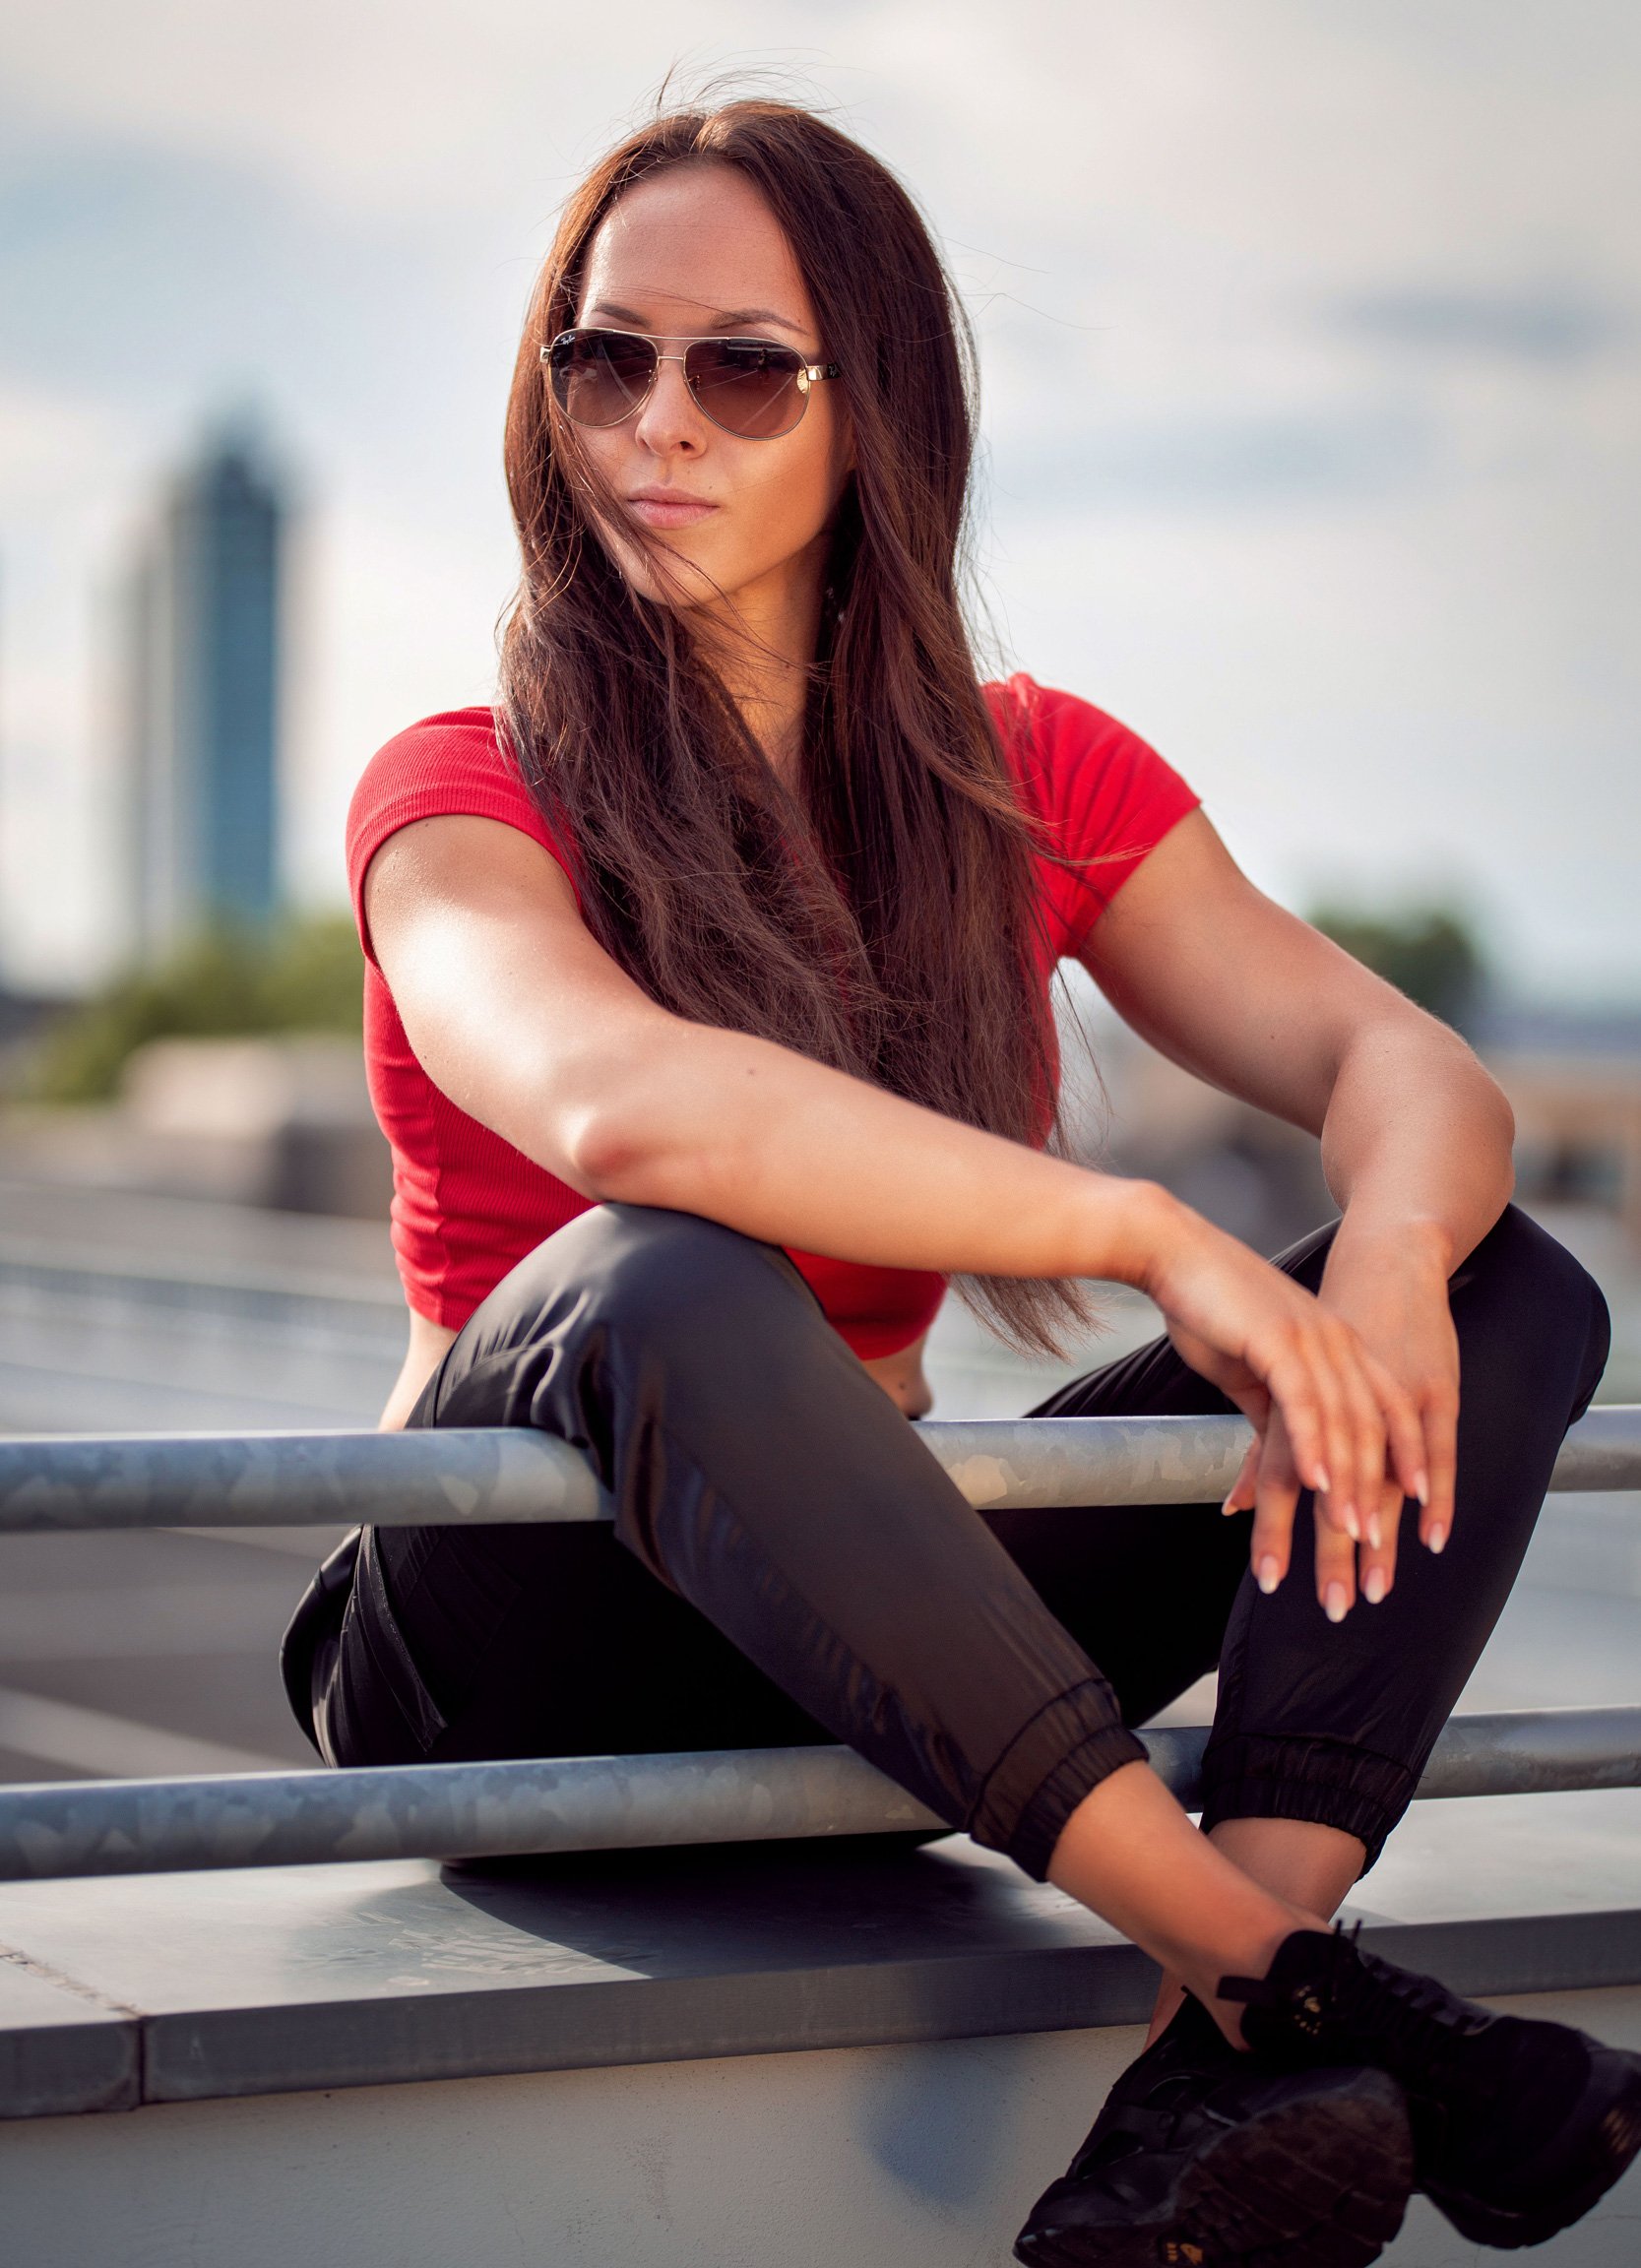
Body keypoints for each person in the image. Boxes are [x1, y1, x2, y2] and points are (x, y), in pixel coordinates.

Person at [282, 97, 1638, 2267]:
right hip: (508, 1652)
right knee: (661, 1269)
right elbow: (624, 1109)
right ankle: (1294, 1990)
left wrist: (1383, 1265)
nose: (658, 421)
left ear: (879, 415)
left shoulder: (1023, 780)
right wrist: (1151, 1236)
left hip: (869, 1646)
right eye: (604, 359)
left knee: (1509, 1293)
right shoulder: (463, 794)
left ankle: (1213, 2076)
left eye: (744, 368)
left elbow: (1404, 1067)